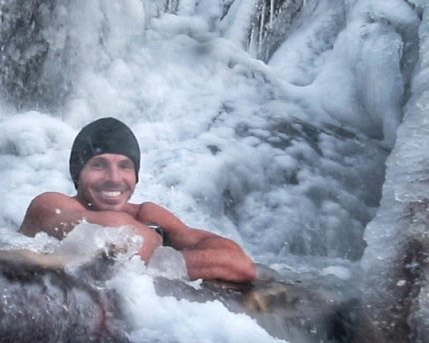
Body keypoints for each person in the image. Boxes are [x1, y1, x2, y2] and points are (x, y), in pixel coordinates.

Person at [19, 117, 257, 283]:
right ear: (77, 173)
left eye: (125, 167)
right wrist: (163, 245)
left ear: (136, 176)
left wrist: (163, 259)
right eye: (98, 165)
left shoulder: (146, 214)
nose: (114, 179)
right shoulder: (49, 205)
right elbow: (117, 234)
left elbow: (238, 262)